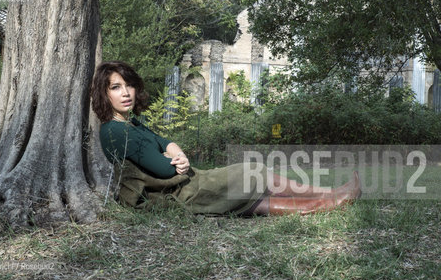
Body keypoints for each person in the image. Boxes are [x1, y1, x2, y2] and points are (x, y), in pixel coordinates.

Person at [90, 61, 361, 216]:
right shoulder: (114, 131)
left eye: (129, 85)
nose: (126, 92)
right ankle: (329, 198)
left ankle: (331, 198)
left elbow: (164, 143)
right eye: (116, 87)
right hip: (178, 194)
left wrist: (176, 153)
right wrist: (176, 159)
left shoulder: (131, 123)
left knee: (252, 202)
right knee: (255, 173)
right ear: (105, 94)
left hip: (184, 186)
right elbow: (163, 168)